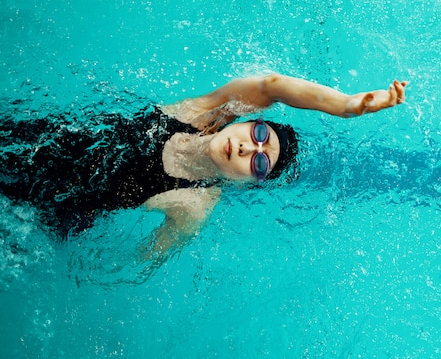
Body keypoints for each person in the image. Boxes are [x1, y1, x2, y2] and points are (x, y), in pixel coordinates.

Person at [0, 74, 407, 256]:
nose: (250, 149)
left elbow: (141, 259)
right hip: (41, 141)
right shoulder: (203, 113)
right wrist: (348, 106)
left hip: (54, 210)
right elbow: (272, 87)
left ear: (248, 184)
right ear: (249, 118)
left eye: (260, 165)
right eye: (260, 135)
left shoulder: (194, 205)